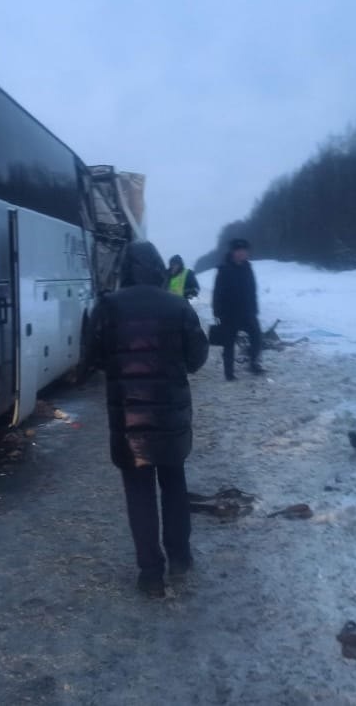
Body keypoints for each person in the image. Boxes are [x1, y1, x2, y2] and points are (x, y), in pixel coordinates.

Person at [89, 241, 208, 598]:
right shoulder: (178, 306)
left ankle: (151, 574)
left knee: (138, 494)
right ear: (158, 269)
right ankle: (181, 557)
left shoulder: (107, 307)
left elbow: (93, 357)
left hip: (129, 421)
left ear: (125, 269)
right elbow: (198, 356)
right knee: (174, 485)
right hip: (170, 418)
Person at [212, 237, 263, 380]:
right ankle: (229, 373)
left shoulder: (248, 268)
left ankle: (253, 364)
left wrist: (254, 309)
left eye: (243, 251)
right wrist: (217, 312)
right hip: (229, 313)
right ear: (233, 252)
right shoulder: (224, 269)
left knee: (257, 337)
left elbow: (252, 290)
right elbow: (217, 292)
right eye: (238, 251)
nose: (241, 253)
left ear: (247, 252)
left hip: (247, 312)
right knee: (228, 343)